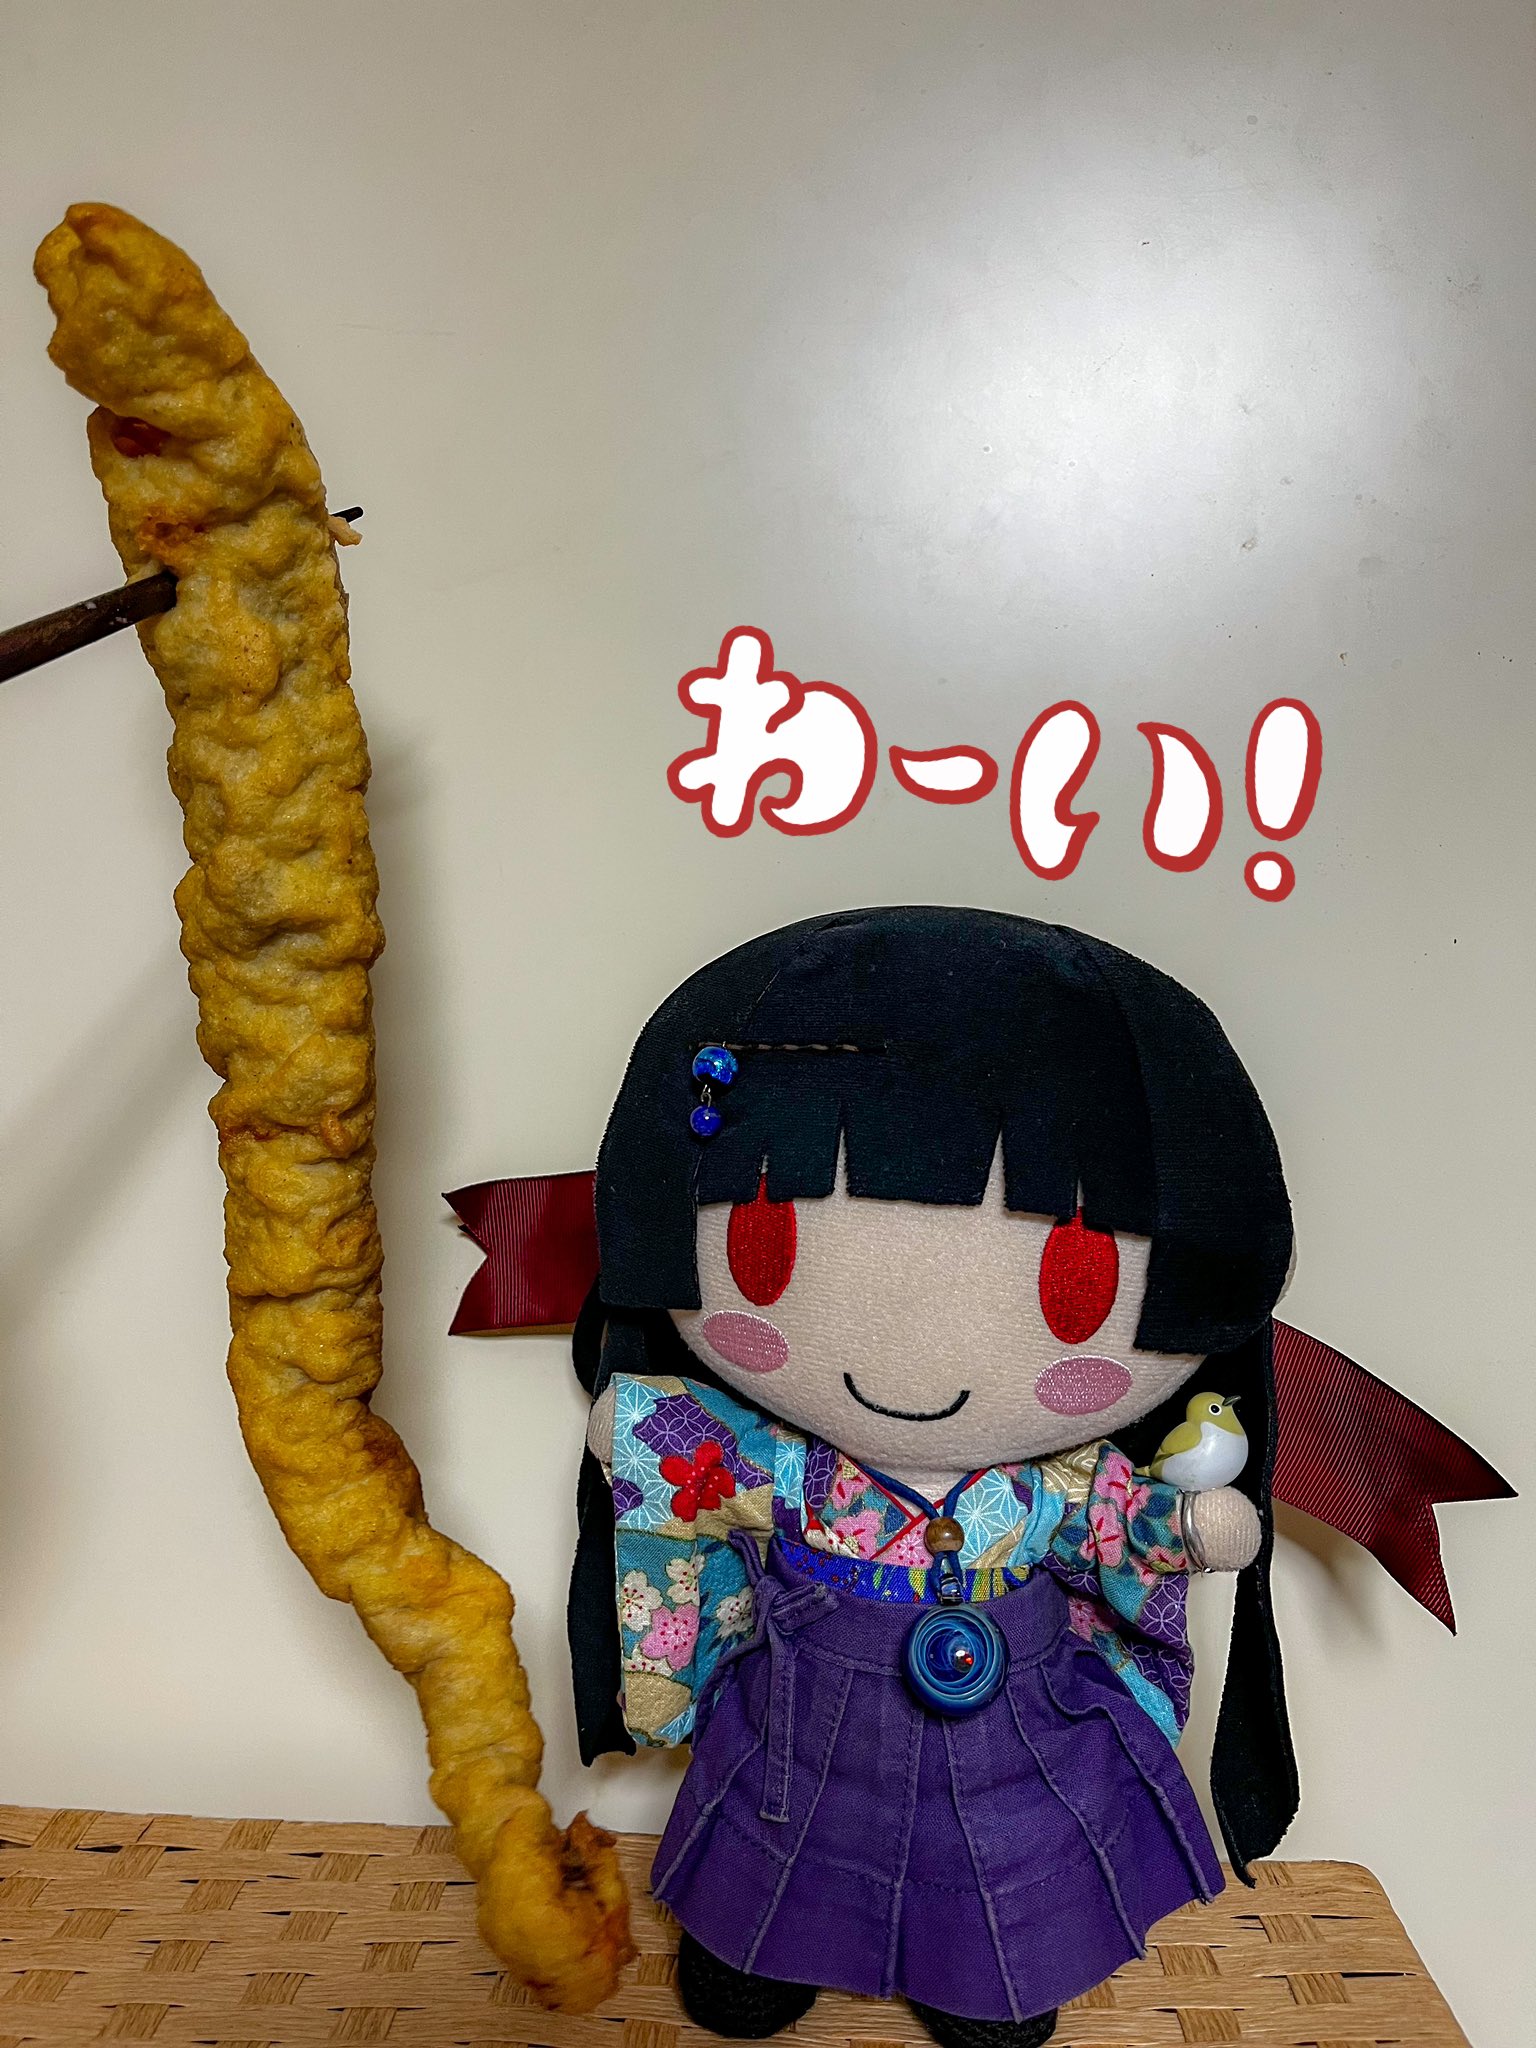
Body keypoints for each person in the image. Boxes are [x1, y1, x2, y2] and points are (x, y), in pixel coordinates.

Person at [568, 906, 1297, 2047]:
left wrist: (1191, 1526)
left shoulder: (1047, 1489)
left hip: (1007, 1726)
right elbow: (698, 1464)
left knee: (995, 1856)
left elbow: (1110, 1520)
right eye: (767, 1249)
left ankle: (987, 1973)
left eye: (1071, 1286)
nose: (915, 1354)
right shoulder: (798, 1469)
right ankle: (755, 1947)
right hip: (806, 1719)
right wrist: (642, 1426)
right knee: (782, 1836)